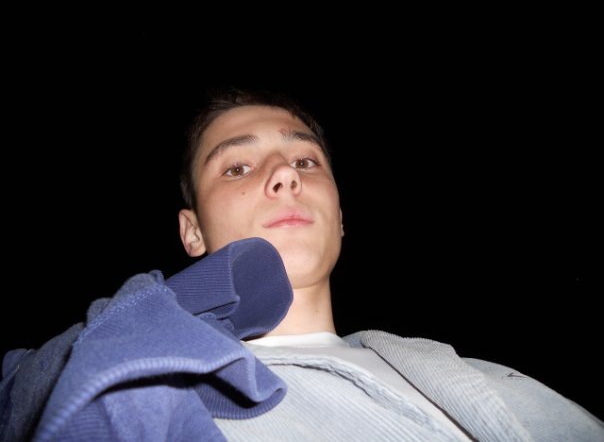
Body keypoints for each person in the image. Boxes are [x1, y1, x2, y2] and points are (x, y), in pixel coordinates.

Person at [1, 87, 602, 441]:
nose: (285, 175)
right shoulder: (148, 376)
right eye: (237, 168)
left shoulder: (485, 375)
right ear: (192, 231)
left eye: (306, 161)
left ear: (338, 216)